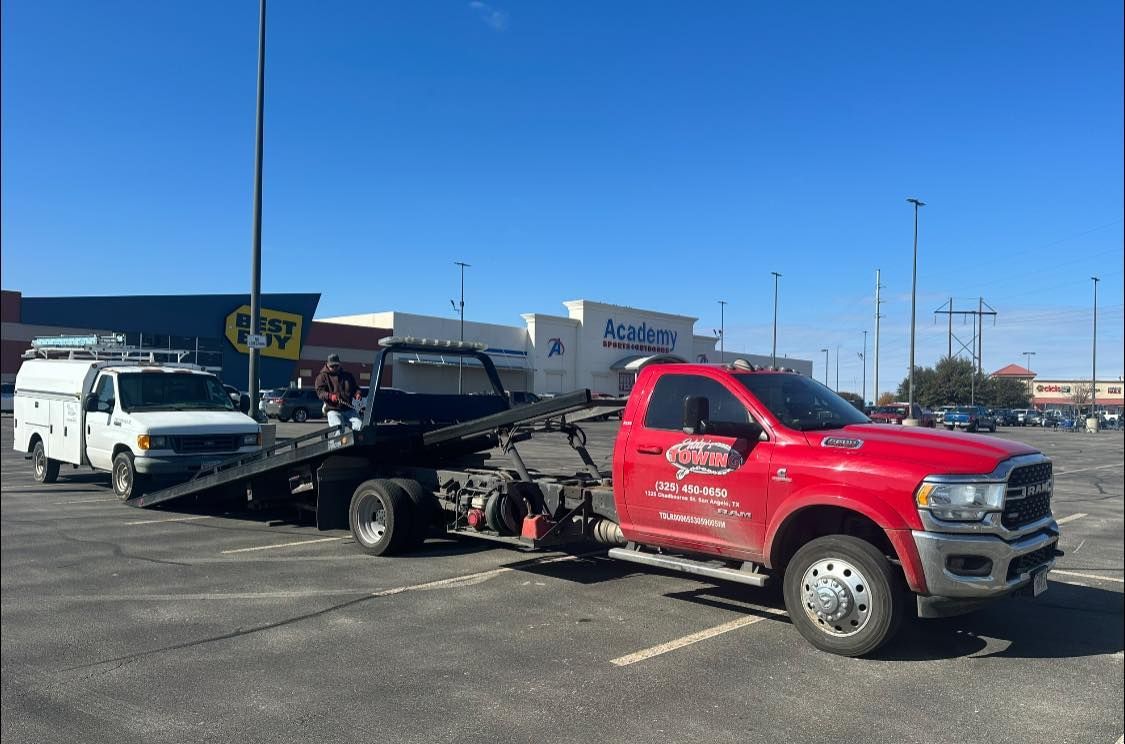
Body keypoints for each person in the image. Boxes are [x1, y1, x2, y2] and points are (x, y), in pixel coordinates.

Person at [315, 353, 364, 430]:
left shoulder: (348, 375)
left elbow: (356, 388)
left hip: (348, 409)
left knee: (360, 426)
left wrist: (357, 393)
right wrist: (330, 396)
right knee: (338, 428)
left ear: (340, 364)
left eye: (336, 366)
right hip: (332, 409)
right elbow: (320, 392)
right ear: (327, 365)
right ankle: (337, 437)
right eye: (332, 366)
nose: (335, 368)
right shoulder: (322, 377)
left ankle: (358, 437)